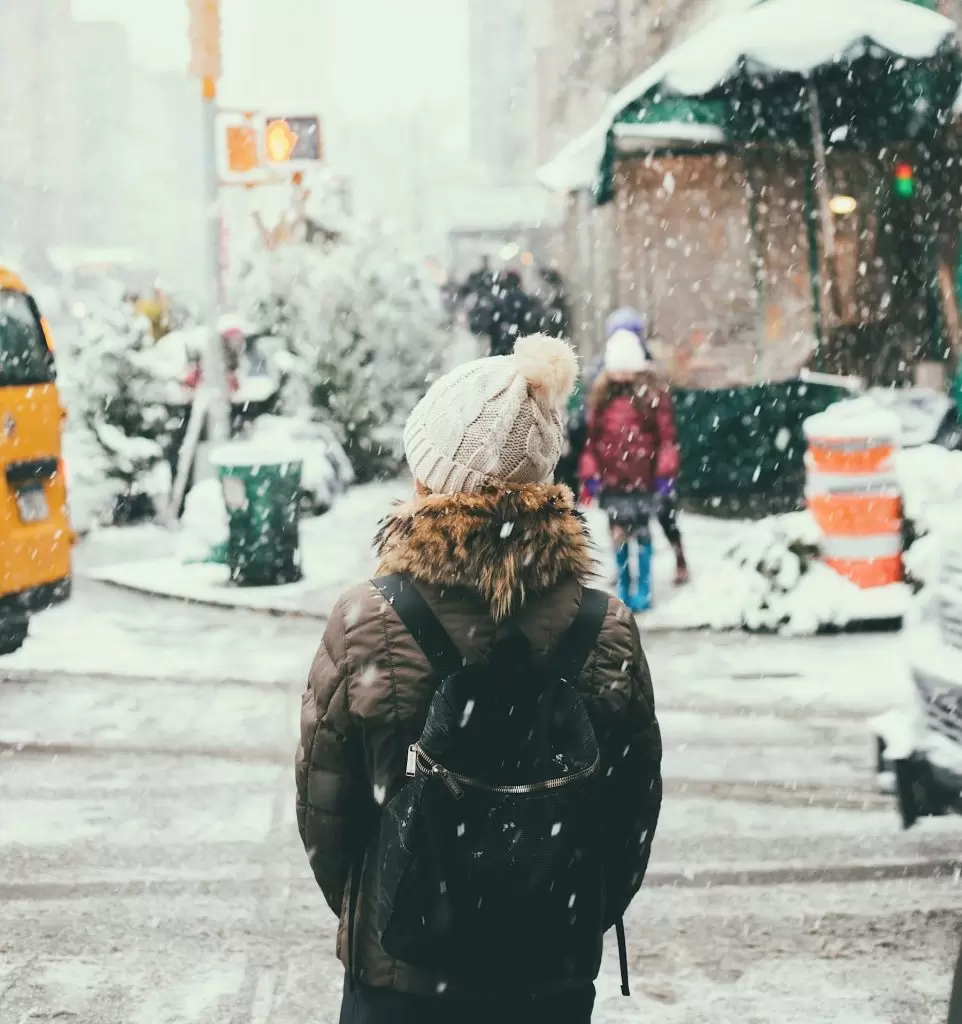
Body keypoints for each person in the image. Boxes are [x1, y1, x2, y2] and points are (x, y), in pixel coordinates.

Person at [296, 333, 662, 1024]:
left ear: (429, 478)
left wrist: (385, 904)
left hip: (401, 976)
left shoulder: (366, 617)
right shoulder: (604, 625)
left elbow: (324, 812)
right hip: (550, 977)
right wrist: (568, 909)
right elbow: (632, 812)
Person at [579, 329, 681, 613]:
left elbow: (666, 439)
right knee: (618, 533)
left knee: (643, 533)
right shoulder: (601, 397)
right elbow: (591, 441)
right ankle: (624, 586)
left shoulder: (652, 395)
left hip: (643, 480)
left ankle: (644, 588)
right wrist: (590, 475)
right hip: (613, 482)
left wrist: (664, 473)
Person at [600, 308, 689, 585]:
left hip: (648, 462)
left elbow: (664, 428)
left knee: (663, 512)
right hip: (619, 463)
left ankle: (678, 557)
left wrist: (665, 465)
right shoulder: (606, 370)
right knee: (619, 516)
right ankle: (625, 565)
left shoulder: (649, 373)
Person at [487, 269, 547, 356]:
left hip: (502, 347)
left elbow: (493, 325)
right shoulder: (527, 300)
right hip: (522, 346)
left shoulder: (499, 301)